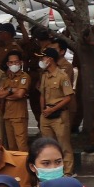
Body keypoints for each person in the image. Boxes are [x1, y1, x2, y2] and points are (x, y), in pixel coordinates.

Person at [35, 47, 74, 175]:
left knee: (64, 145)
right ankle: (50, 172)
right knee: (46, 145)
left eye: (43, 58)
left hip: (59, 114)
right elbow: (42, 94)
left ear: (50, 59)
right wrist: (43, 111)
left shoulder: (62, 76)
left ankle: (67, 173)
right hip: (46, 114)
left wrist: (53, 109)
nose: (41, 60)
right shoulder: (45, 75)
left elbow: (68, 97)